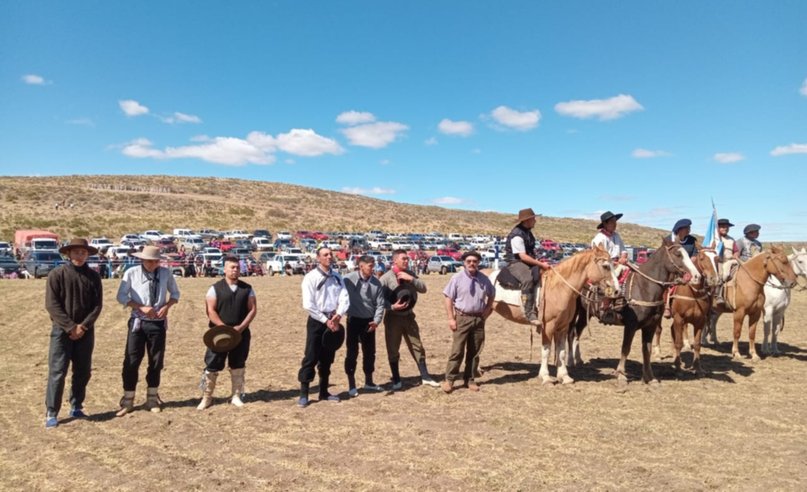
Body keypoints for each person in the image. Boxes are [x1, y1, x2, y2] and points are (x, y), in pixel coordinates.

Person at [43, 238, 103, 428]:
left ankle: (76, 405)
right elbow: (52, 305)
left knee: (83, 370)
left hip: (85, 332)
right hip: (61, 332)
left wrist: (83, 327)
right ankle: (52, 411)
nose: (80, 255)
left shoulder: (93, 277)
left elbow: (97, 306)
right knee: (58, 371)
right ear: (68, 254)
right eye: (76, 252)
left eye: (83, 252)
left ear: (87, 254)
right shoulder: (57, 274)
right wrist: (70, 327)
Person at [115, 245, 180, 416]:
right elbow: (121, 296)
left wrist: (167, 306)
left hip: (158, 323)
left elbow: (175, 294)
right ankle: (127, 399)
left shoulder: (166, 274)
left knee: (156, 361)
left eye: (155, 261)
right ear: (142, 260)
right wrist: (139, 307)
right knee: (131, 359)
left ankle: (152, 397)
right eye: (149, 261)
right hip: (138, 322)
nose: (152, 264)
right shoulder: (132, 273)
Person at [198, 256, 258, 410]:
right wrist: (223, 327)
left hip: (241, 333)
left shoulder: (247, 288)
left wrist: (241, 327)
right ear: (224, 269)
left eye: (237, 267)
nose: (235, 270)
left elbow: (252, 309)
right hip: (218, 334)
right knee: (211, 365)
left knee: (238, 364)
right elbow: (210, 310)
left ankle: (236, 396)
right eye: (232, 267)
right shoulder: (215, 288)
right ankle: (206, 397)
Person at [379, 249, 440, 390]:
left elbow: (424, 289)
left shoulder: (410, 274)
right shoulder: (386, 278)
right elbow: (379, 300)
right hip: (393, 318)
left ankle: (425, 376)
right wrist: (392, 307)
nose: (407, 261)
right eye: (403, 259)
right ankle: (396, 379)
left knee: (417, 346)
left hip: (409, 317)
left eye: (407, 259)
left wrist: (411, 279)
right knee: (393, 348)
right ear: (395, 260)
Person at [298, 247, 350, 407]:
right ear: (318, 258)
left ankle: (323, 391)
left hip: (333, 320)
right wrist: (323, 319)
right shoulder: (310, 277)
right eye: (325, 255)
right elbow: (308, 304)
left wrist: (339, 314)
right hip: (316, 321)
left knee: (328, 357)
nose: (329, 257)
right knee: (311, 356)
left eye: (330, 254)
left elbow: (344, 297)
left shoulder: (337, 277)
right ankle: (304, 393)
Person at [441, 251, 495, 394]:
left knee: (475, 351)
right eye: (469, 261)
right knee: (457, 350)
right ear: (464, 262)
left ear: (478, 263)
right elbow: (448, 298)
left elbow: (492, 294)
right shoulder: (456, 278)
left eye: (475, 261)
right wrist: (451, 318)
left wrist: (487, 310)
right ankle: (450, 379)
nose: (472, 263)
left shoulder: (484, 279)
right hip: (462, 318)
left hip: (478, 319)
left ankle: (469, 379)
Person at [342, 255, 386, 396]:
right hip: (353, 321)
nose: (373, 269)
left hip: (369, 322)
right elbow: (339, 296)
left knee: (369, 353)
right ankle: (352, 384)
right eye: (370, 266)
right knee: (352, 352)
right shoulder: (348, 280)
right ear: (361, 266)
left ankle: (369, 381)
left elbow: (380, 304)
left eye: (373, 266)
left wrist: (377, 321)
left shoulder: (376, 283)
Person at [502, 208, 551, 326]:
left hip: (527, 261)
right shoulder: (517, 235)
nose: (535, 221)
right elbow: (522, 256)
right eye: (533, 219)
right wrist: (540, 264)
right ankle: (529, 312)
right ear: (527, 220)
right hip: (516, 262)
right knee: (527, 279)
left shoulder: (527, 232)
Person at [664, 219, 698, 318]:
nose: (689, 230)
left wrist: (691, 261)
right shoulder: (668, 240)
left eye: (689, 228)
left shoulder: (692, 240)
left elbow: (695, 253)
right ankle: (666, 305)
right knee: (668, 282)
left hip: (689, 267)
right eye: (687, 228)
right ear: (679, 230)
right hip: (673, 267)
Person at [591, 211, 629, 280]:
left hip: (619, 264)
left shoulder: (616, 236)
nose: (615, 224)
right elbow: (600, 259)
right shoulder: (599, 238)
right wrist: (615, 263)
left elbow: (623, 251)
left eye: (615, 221)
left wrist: (623, 258)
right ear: (605, 224)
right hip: (606, 267)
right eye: (612, 222)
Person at [714, 218, 740, 306]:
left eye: (727, 227)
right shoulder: (714, 239)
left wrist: (736, 255)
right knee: (723, 275)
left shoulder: (731, 239)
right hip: (719, 261)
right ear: (718, 228)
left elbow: (736, 250)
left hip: (731, 260)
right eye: (723, 227)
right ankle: (719, 295)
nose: (725, 228)